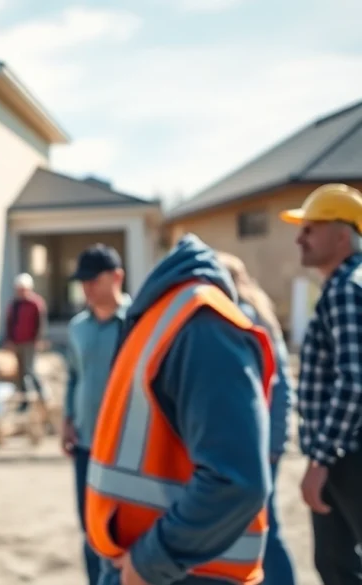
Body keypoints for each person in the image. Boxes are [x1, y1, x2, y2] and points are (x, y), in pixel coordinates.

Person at [87, 234, 273, 585]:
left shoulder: (201, 326)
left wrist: (150, 562)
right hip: (158, 565)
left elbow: (236, 481)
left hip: (176, 570)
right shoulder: (174, 319)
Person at [280, 182, 362, 584]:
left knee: (339, 567)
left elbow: (355, 380)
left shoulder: (348, 290)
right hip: (343, 455)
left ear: (343, 234)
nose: (300, 237)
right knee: (336, 566)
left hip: (348, 458)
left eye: (311, 228)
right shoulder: (342, 287)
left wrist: (321, 460)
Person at [217, 251, 298, 585]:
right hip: (268, 440)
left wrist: (270, 443)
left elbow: (271, 389)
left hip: (259, 442)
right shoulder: (261, 318)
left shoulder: (242, 319)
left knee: (263, 525)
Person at [61, 244, 131, 585]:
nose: (86, 288)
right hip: (87, 445)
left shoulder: (138, 323)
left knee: (125, 529)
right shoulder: (78, 328)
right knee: (90, 527)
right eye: (82, 281)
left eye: (93, 280)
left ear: (117, 277)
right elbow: (74, 377)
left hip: (127, 448)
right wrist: (67, 421)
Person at [4, 273, 49, 415]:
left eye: (23, 289)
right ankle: (24, 402)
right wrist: (9, 340)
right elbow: (9, 323)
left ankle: (43, 394)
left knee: (30, 370)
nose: (21, 292)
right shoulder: (14, 305)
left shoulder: (36, 303)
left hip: (30, 342)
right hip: (18, 341)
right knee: (21, 373)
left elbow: (40, 323)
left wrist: (38, 339)